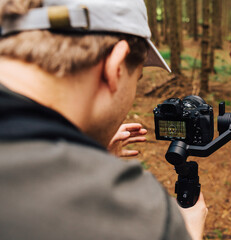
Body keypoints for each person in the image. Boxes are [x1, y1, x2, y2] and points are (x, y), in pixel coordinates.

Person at [0, 1, 208, 240]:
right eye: (137, 79)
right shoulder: (135, 214)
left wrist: (85, 160)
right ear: (115, 66)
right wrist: (187, 233)